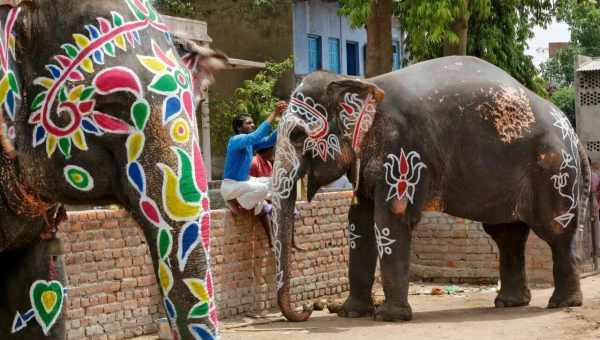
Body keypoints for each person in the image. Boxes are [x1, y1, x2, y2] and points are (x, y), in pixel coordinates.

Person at [220, 102, 287, 245]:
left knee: (273, 181)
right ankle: (239, 202)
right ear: (239, 127)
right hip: (231, 186)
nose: (252, 125)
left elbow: (269, 140)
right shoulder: (236, 140)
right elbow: (257, 135)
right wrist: (274, 113)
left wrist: (285, 119)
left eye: (252, 123)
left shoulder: (249, 144)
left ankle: (255, 203)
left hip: (244, 183)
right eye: (248, 123)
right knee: (263, 189)